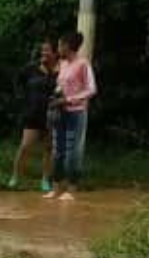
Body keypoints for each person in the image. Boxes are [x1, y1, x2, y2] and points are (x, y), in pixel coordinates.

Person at [46, 31, 97, 202]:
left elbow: (92, 89)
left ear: (67, 46)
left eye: (59, 45)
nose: (58, 49)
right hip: (60, 113)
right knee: (57, 151)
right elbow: (61, 85)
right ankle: (55, 189)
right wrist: (55, 97)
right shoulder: (62, 64)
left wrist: (68, 99)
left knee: (73, 153)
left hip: (76, 113)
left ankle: (72, 190)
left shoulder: (83, 64)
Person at [12, 41, 59, 190]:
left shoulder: (60, 71)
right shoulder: (31, 68)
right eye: (42, 50)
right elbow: (18, 80)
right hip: (32, 113)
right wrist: (21, 97)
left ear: (55, 53)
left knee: (48, 148)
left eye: (47, 50)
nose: (43, 53)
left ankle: (45, 180)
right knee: (25, 146)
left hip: (51, 115)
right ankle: (15, 176)